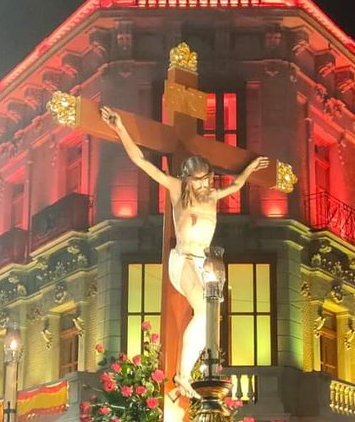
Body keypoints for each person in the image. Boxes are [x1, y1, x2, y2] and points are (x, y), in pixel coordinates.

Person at [101, 106, 268, 397]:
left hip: (206, 264)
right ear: (187, 178)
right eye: (198, 181)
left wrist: (251, 168)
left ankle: (186, 373)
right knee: (204, 310)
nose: (203, 186)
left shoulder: (213, 196)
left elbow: (239, 183)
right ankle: (181, 374)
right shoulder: (177, 189)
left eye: (206, 180)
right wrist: (120, 128)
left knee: (210, 319)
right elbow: (141, 161)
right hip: (185, 260)